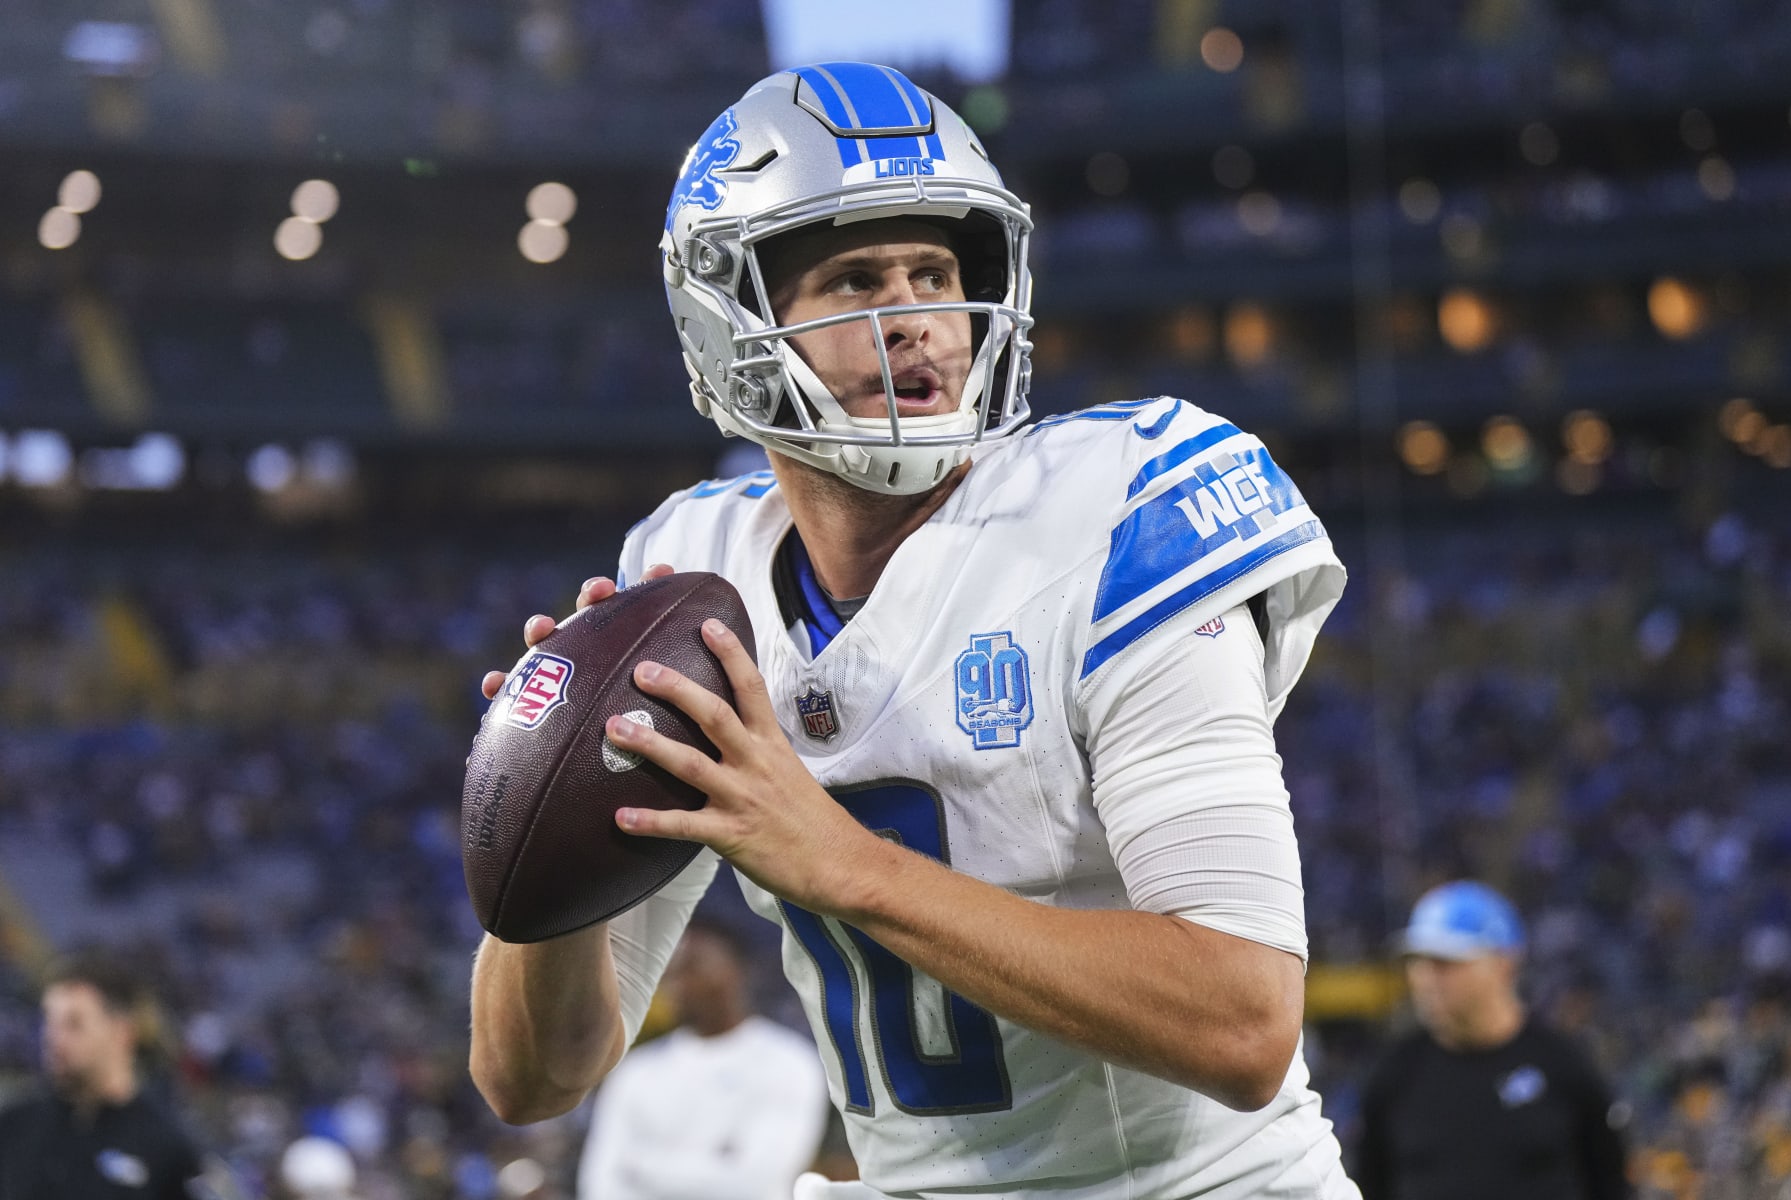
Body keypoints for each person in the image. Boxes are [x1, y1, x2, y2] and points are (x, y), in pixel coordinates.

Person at [470, 61, 1355, 1198]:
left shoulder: (1122, 510)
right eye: (852, 282)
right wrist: (541, 836)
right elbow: (532, 1082)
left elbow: (1243, 1020)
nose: (918, 321)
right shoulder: (692, 574)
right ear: (734, 318)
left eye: (934, 271)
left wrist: (842, 864)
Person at [1352, 881, 1629, 1200]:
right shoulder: (1394, 1075)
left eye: (1446, 962)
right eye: (1419, 962)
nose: (1426, 979)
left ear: (1504, 962)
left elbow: (1610, 1182)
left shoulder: (1563, 1066)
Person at [576, 917, 827, 1200]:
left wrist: (639, 1167)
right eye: (671, 971)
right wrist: (717, 1160)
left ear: (736, 970)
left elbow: (754, 1182)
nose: (677, 984)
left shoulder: (790, 1063)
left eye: (692, 966)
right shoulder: (637, 1070)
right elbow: (600, 1185)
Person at [0, 956, 212, 1200]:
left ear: (122, 1032)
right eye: (49, 1021)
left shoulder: (168, 1146)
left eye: (74, 1024)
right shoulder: (13, 1126)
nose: (52, 1037)